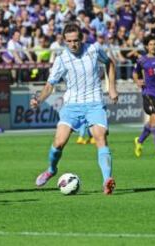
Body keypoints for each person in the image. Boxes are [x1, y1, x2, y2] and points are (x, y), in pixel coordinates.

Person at [30, 23, 118, 195]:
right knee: (59, 142)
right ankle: (51, 169)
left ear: (81, 39)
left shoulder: (94, 49)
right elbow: (50, 85)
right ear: (64, 41)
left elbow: (110, 63)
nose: (73, 44)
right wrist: (39, 99)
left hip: (94, 103)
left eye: (76, 40)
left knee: (100, 137)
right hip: (72, 105)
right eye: (69, 41)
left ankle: (107, 180)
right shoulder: (61, 59)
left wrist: (111, 87)